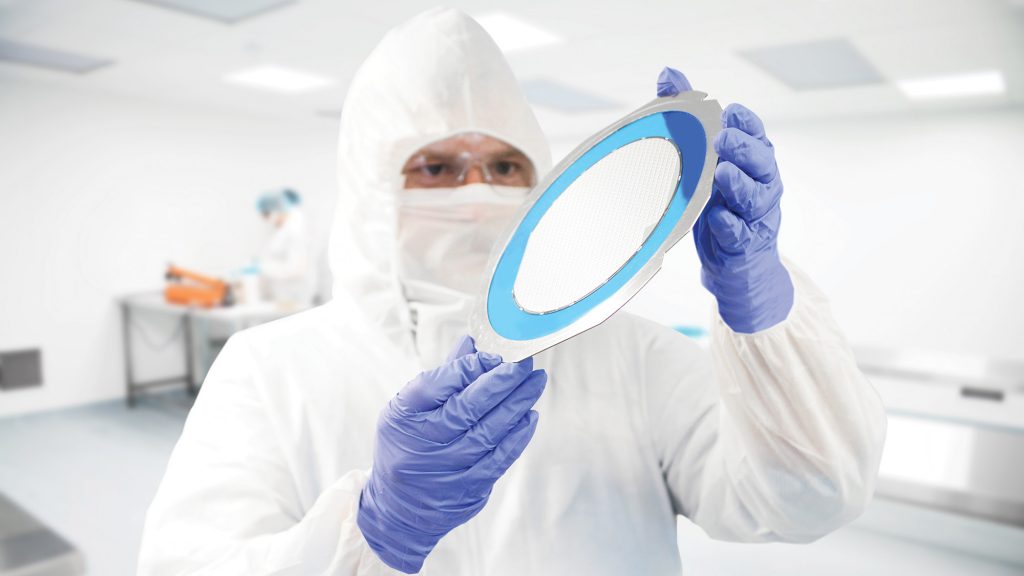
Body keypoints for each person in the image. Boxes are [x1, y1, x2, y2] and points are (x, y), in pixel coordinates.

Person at [138, 8, 886, 575]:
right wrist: (375, 531)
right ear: (370, 190)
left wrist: (764, 316)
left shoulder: (633, 355)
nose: (476, 191)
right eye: (436, 167)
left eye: (504, 166)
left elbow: (808, 498)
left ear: (544, 184)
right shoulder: (268, 368)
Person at [255, 188, 316, 307]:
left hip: (296, 292)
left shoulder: (295, 230)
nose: (265, 219)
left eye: (266, 214)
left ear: (278, 209)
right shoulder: (282, 231)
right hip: (285, 294)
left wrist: (263, 268)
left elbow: (296, 267)